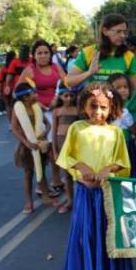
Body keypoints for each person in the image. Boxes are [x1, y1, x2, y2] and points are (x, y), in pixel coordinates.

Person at [56, 82, 132, 270]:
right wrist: (81, 170)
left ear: (112, 108)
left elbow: (123, 162)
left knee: (106, 235)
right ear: (84, 106)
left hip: (107, 194)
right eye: (93, 106)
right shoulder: (77, 128)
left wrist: (109, 170)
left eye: (103, 108)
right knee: (82, 236)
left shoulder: (115, 132)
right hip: (84, 193)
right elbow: (66, 157)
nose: (98, 112)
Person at [17, 40, 67, 193]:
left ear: (50, 54)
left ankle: (56, 178)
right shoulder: (29, 71)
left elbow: (66, 84)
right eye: (39, 53)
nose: (43, 55)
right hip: (38, 115)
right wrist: (37, 104)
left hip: (57, 110)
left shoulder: (56, 67)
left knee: (56, 147)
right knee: (42, 150)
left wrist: (57, 99)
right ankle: (41, 184)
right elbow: (19, 92)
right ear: (34, 55)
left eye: (46, 52)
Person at [10, 83, 60, 214]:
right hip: (27, 145)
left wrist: (45, 132)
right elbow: (14, 129)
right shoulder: (18, 108)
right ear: (25, 97)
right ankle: (29, 202)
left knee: (41, 171)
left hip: (40, 143)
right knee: (28, 174)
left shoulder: (36, 107)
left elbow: (47, 123)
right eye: (33, 93)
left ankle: (46, 197)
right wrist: (26, 142)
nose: (35, 95)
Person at [67, 13, 136, 90]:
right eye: (118, 31)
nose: (123, 35)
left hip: (120, 102)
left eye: (124, 32)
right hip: (94, 101)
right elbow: (69, 82)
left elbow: (135, 89)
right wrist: (89, 72)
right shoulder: (88, 52)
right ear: (105, 31)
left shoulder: (129, 56)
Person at [52, 84, 79, 214]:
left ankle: (79, 200)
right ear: (60, 96)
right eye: (65, 96)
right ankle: (70, 200)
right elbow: (53, 132)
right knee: (66, 175)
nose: (68, 98)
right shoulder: (57, 111)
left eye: (71, 95)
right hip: (60, 143)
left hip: (75, 144)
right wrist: (55, 151)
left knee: (77, 173)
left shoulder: (78, 110)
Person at [108, 73, 136, 177]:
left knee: (129, 172)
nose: (122, 90)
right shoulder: (106, 108)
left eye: (125, 87)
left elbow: (135, 130)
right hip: (111, 147)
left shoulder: (131, 107)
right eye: (118, 87)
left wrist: (127, 118)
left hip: (127, 145)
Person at [0, 51, 17, 123]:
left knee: (8, 106)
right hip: (15, 88)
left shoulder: (3, 68)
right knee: (15, 106)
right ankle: (16, 124)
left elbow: (0, 80)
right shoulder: (16, 66)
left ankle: (11, 124)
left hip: (5, 88)